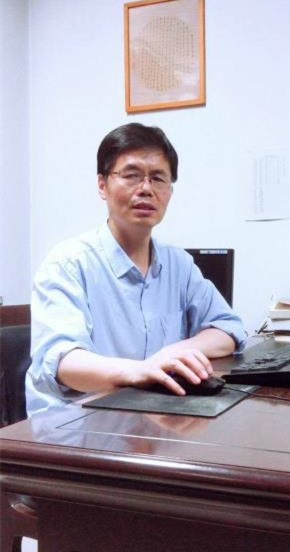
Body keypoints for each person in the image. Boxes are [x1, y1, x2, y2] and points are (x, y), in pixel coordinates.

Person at [26, 123, 246, 415]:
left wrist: (173, 353)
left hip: (152, 415)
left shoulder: (178, 264)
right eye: (131, 175)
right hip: (78, 423)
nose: (146, 189)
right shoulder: (67, 263)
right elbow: (63, 363)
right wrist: (143, 370)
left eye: (158, 178)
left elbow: (228, 329)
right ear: (102, 185)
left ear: (170, 190)